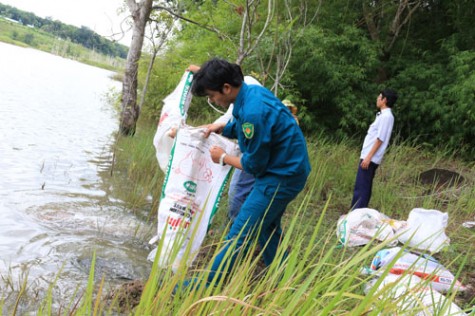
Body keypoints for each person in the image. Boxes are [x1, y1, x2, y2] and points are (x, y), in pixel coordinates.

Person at [188, 58, 311, 286]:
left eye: (212, 95)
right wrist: (222, 126)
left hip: (281, 175)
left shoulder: (254, 112)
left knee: (240, 232)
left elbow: (254, 165)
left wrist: (223, 158)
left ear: (226, 88)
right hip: (288, 168)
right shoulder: (250, 93)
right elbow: (247, 128)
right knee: (267, 228)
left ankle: (206, 285)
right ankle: (284, 278)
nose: (212, 100)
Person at [350, 88, 398, 210]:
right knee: (361, 185)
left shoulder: (387, 116)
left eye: (379, 97)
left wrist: (369, 157)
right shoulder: (382, 115)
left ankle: (357, 213)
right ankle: (356, 212)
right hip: (367, 155)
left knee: (362, 187)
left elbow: (380, 138)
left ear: (385, 100)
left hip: (370, 157)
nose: (377, 99)